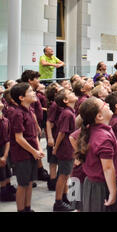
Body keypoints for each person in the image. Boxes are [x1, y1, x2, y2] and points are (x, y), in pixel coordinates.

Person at [77, 97, 117, 212]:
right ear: (99, 116)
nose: (107, 103)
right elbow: (108, 168)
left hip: (97, 184)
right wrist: (113, 192)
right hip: (103, 187)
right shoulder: (103, 137)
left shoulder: (97, 130)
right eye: (104, 104)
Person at [9, 83, 45, 212]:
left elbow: (34, 134)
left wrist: (39, 149)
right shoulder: (17, 114)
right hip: (22, 154)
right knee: (22, 184)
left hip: (32, 152)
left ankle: (27, 207)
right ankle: (21, 209)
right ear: (21, 97)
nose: (34, 92)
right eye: (30, 91)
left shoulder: (29, 110)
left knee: (30, 182)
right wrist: (34, 151)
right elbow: (19, 138)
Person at [52, 89, 77, 212]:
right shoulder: (67, 113)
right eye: (70, 94)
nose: (73, 93)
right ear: (66, 101)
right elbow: (62, 133)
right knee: (62, 175)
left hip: (69, 148)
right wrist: (55, 148)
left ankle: (64, 197)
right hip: (65, 148)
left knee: (66, 174)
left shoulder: (70, 112)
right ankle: (58, 202)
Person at [0, 99, 15, 202]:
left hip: (5, 148)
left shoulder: (5, 120)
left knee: (7, 170)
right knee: (1, 173)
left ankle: (8, 189)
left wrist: (5, 155)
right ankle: (4, 192)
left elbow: (8, 138)